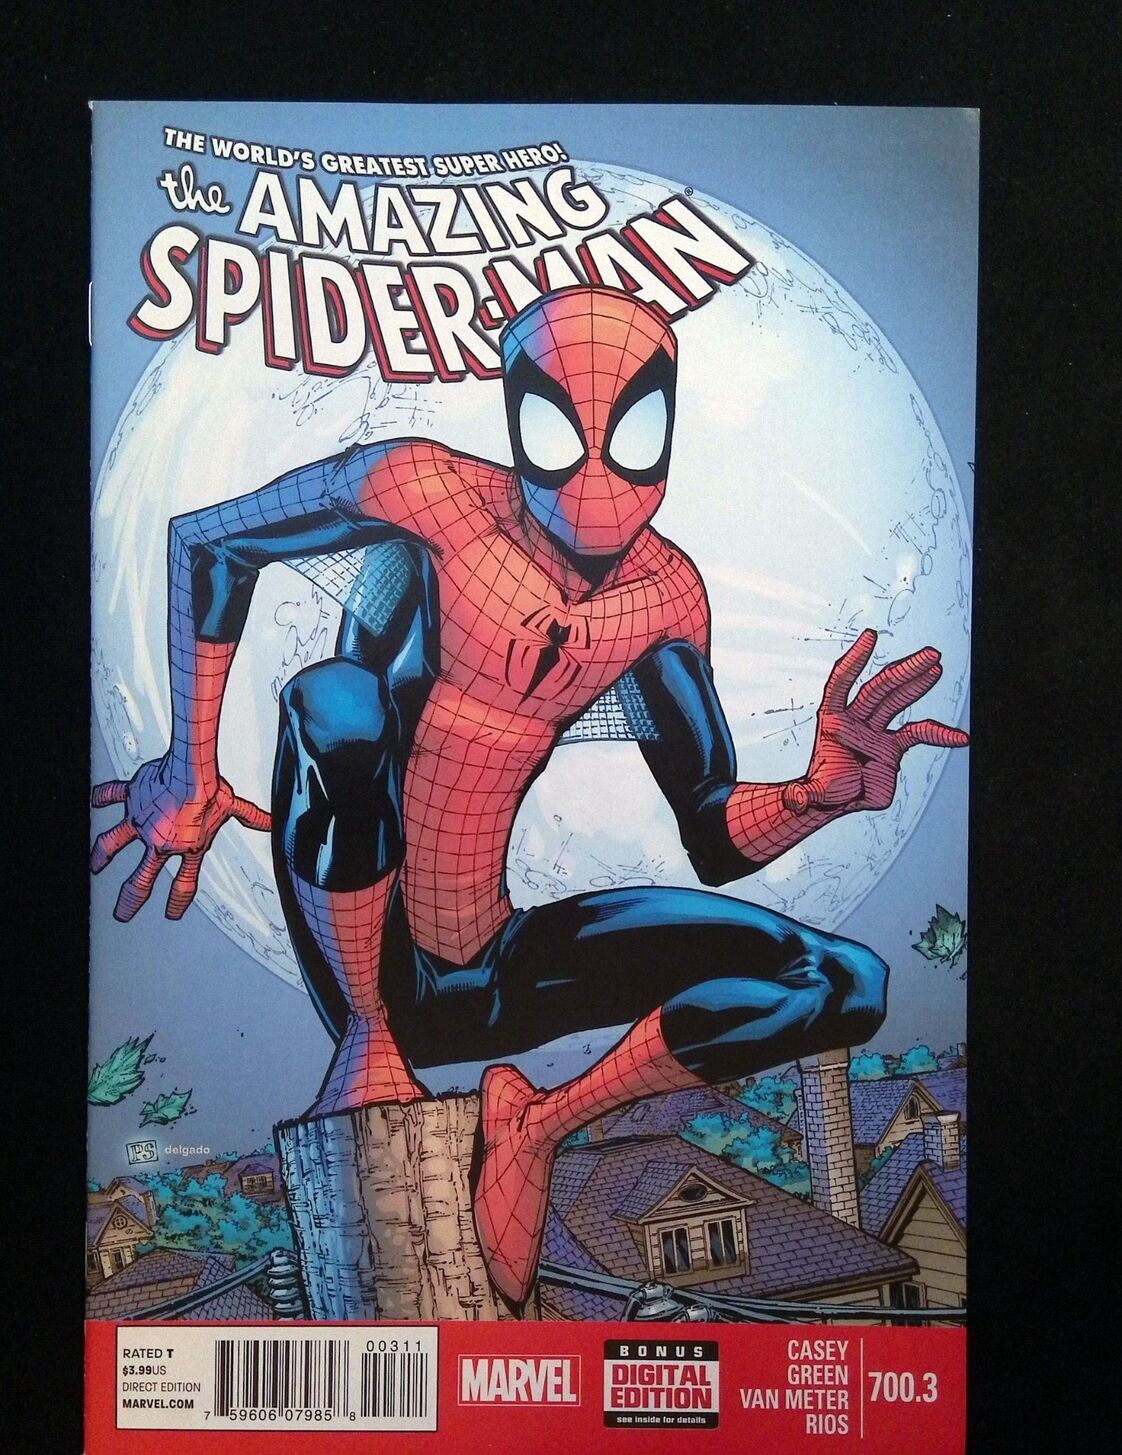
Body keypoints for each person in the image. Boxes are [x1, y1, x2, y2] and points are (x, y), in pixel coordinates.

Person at [91, 286, 968, 1306]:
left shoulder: (663, 600)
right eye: (560, 430)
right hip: (369, 958)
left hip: (495, 966)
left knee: (843, 980)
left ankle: (540, 1124)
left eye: (628, 433)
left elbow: (715, 833)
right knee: (336, 699)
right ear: (520, 417)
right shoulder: (425, 493)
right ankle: (370, 1033)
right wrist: (188, 769)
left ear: (664, 428)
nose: (594, 476)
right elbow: (212, 540)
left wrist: (819, 796)